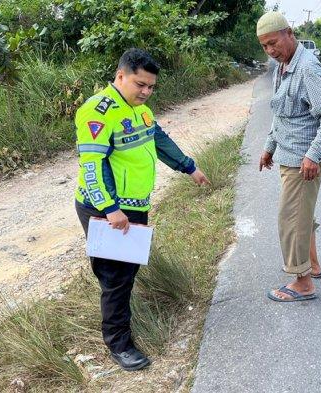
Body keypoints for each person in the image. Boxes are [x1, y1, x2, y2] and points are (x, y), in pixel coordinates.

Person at [74, 48, 209, 371]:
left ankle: (121, 321)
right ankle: (119, 344)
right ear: (120, 76)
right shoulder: (97, 111)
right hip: (108, 210)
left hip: (133, 207)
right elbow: (92, 166)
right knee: (115, 278)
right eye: (140, 85)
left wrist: (188, 167)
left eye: (151, 87)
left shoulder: (141, 111)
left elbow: (158, 140)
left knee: (126, 272)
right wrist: (110, 209)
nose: (146, 92)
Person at [256, 12, 321, 302]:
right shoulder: (284, 66)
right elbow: (282, 114)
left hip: (302, 161)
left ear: (289, 33)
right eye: (264, 46)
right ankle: (313, 265)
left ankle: (303, 282)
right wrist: (269, 147)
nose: (270, 50)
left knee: (290, 218)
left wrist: (312, 156)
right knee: (301, 213)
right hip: (289, 154)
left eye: (273, 43)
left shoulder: (307, 69)